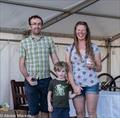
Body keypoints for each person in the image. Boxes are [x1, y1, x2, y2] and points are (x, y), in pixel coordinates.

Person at [19, 15, 59, 118]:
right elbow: (21, 64)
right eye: (34, 24)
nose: (37, 26)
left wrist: (62, 73)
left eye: (39, 24)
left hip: (46, 80)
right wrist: (27, 77)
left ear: (42, 25)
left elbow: (55, 59)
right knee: (33, 111)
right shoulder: (24, 42)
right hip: (31, 80)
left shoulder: (49, 40)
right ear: (30, 26)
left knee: (46, 109)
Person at [65, 21, 102, 118]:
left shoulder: (94, 47)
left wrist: (94, 65)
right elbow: (69, 69)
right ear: (75, 31)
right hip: (76, 85)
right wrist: (74, 86)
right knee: (79, 113)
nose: (80, 32)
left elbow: (99, 68)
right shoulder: (70, 48)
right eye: (78, 30)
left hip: (92, 84)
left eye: (83, 30)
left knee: (92, 113)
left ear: (87, 32)